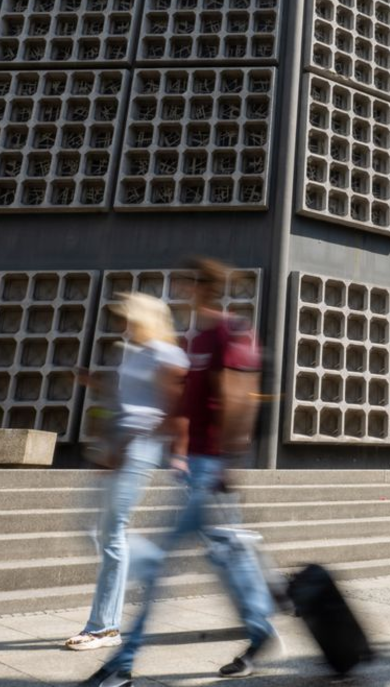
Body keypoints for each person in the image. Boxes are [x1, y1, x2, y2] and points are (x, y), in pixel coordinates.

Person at [84, 258, 277, 686]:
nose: (178, 289)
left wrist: (225, 463)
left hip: (211, 469)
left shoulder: (230, 332)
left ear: (201, 287)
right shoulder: (197, 339)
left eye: (184, 282)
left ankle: (122, 663)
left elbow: (241, 399)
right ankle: (262, 629)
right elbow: (179, 407)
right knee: (228, 556)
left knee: (160, 562)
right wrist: (174, 450)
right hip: (196, 467)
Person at [66, 293, 188, 651]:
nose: (123, 325)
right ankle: (151, 567)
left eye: (128, 319)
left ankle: (103, 627)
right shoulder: (134, 354)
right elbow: (130, 399)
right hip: (118, 445)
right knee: (91, 528)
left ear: (146, 319)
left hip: (136, 448)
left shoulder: (168, 355)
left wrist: (130, 446)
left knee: (112, 533)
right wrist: (96, 384)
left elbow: (171, 408)